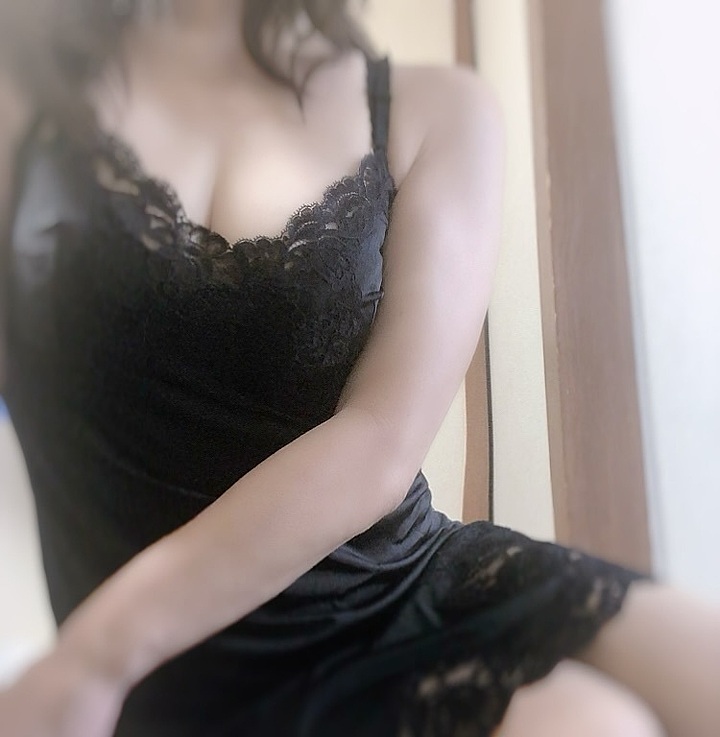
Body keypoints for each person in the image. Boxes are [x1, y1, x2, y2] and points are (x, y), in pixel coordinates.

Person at [0, 2, 717, 736]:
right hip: (184, 671)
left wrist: (96, 654)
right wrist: (94, 660)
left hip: (393, 580)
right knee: (597, 724)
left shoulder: (440, 110)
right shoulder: (24, 87)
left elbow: (382, 440)